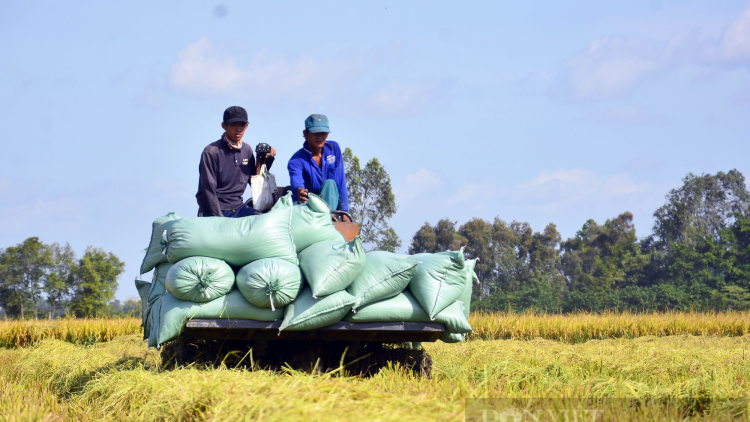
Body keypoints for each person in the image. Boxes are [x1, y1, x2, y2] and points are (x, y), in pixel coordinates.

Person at [195, 106, 277, 217]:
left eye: (242, 125)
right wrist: (219, 219)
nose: (238, 129)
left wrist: (265, 160)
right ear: (224, 126)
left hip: (238, 207)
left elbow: (255, 182)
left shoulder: (247, 150)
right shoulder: (211, 152)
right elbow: (208, 190)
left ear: (246, 126)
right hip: (215, 208)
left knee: (263, 219)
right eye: (233, 124)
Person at [287, 114, 351, 221]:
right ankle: (325, 219)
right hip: (307, 209)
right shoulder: (296, 160)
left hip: (330, 207)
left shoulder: (334, 149)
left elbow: (341, 182)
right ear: (305, 133)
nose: (320, 137)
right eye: (316, 133)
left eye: (324, 133)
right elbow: (296, 183)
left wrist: (344, 214)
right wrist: (300, 192)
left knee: (330, 184)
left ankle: (326, 217)